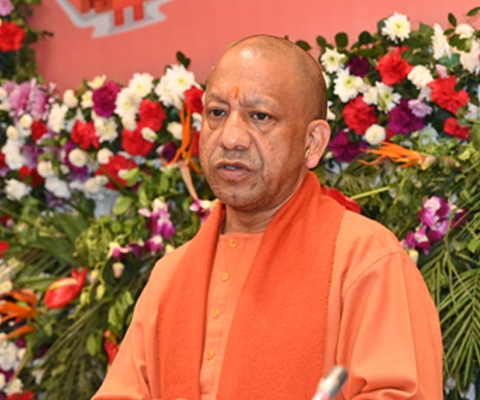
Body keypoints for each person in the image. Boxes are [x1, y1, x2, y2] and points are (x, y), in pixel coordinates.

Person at [92, 35, 443, 400]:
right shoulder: (170, 276)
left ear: (313, 142)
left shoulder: (366, 260)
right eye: (217, 113)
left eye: (260, 116)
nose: (231, 138)